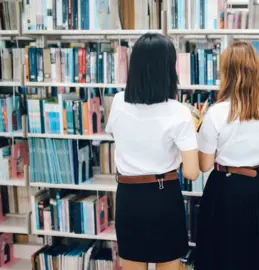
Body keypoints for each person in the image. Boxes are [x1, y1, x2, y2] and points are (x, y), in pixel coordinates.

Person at [105, 33, 200, 270]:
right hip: (163, 197)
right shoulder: (179, 112)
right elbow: (192, 172)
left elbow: (119, 136)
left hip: (128, 197)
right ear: (168, 69)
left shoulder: (117, 102)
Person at [195, 42, 259, 270]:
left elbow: (205, 165)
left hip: (226, 189)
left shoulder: (216, 113)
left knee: (224, 255)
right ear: (257, 71)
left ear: (226, 73)